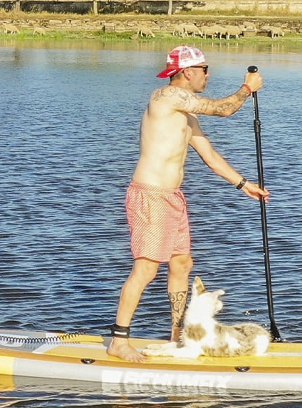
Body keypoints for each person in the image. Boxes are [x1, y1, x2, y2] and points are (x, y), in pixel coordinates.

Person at [108, 45, 269, 363]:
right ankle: (118, 340)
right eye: (205, 69)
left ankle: (178, 337)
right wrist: (247, 88)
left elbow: (209, 155)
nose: (209, 75)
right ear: (188, 72)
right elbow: (224, 109)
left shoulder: (186, 112)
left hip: (173, 198)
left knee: (182, 264)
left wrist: (242, 183)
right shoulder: (166, 97)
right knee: (146, 269)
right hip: (150, 196)